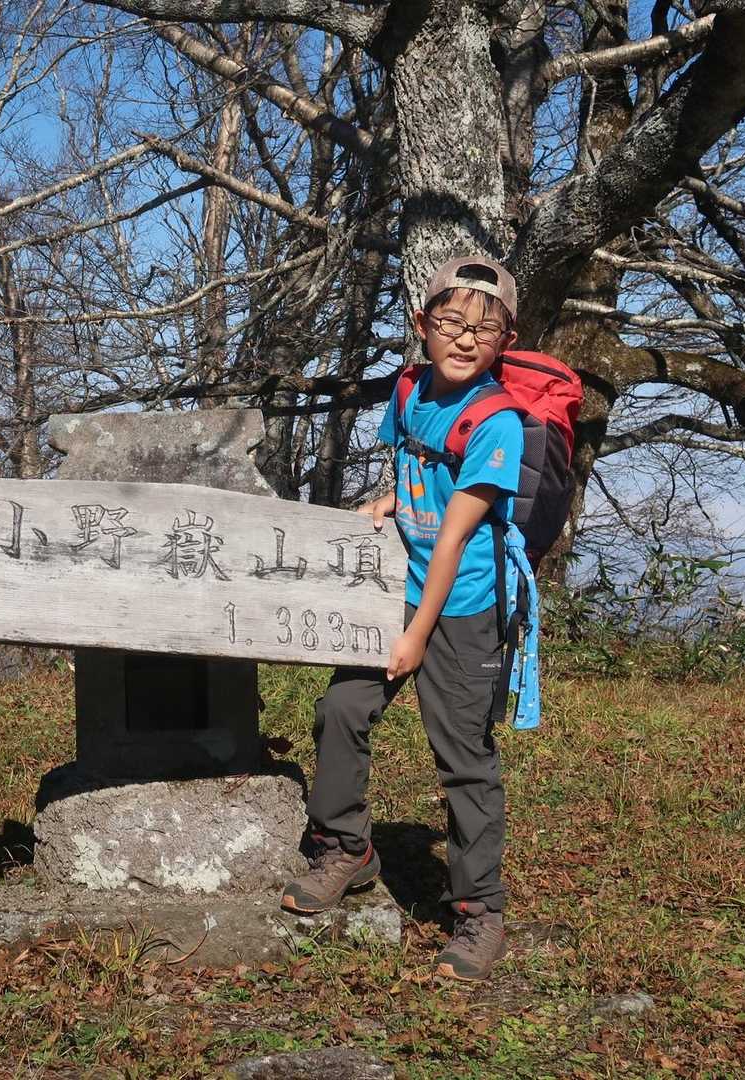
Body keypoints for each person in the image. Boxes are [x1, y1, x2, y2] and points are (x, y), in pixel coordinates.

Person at [280, 255, 524, 982]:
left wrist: (417, 635)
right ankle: (346, 847)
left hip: (464, 606)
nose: (466, 338)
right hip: (395, 587)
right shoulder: (410, 388)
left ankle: (479, 911)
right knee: (341, 708)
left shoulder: (497, 422)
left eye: (485, 329)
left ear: (506, 340)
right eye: (451, 321)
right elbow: (413, 467)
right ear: (422, 324)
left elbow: (454, 538)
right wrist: (391, 501)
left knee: (463, 756)